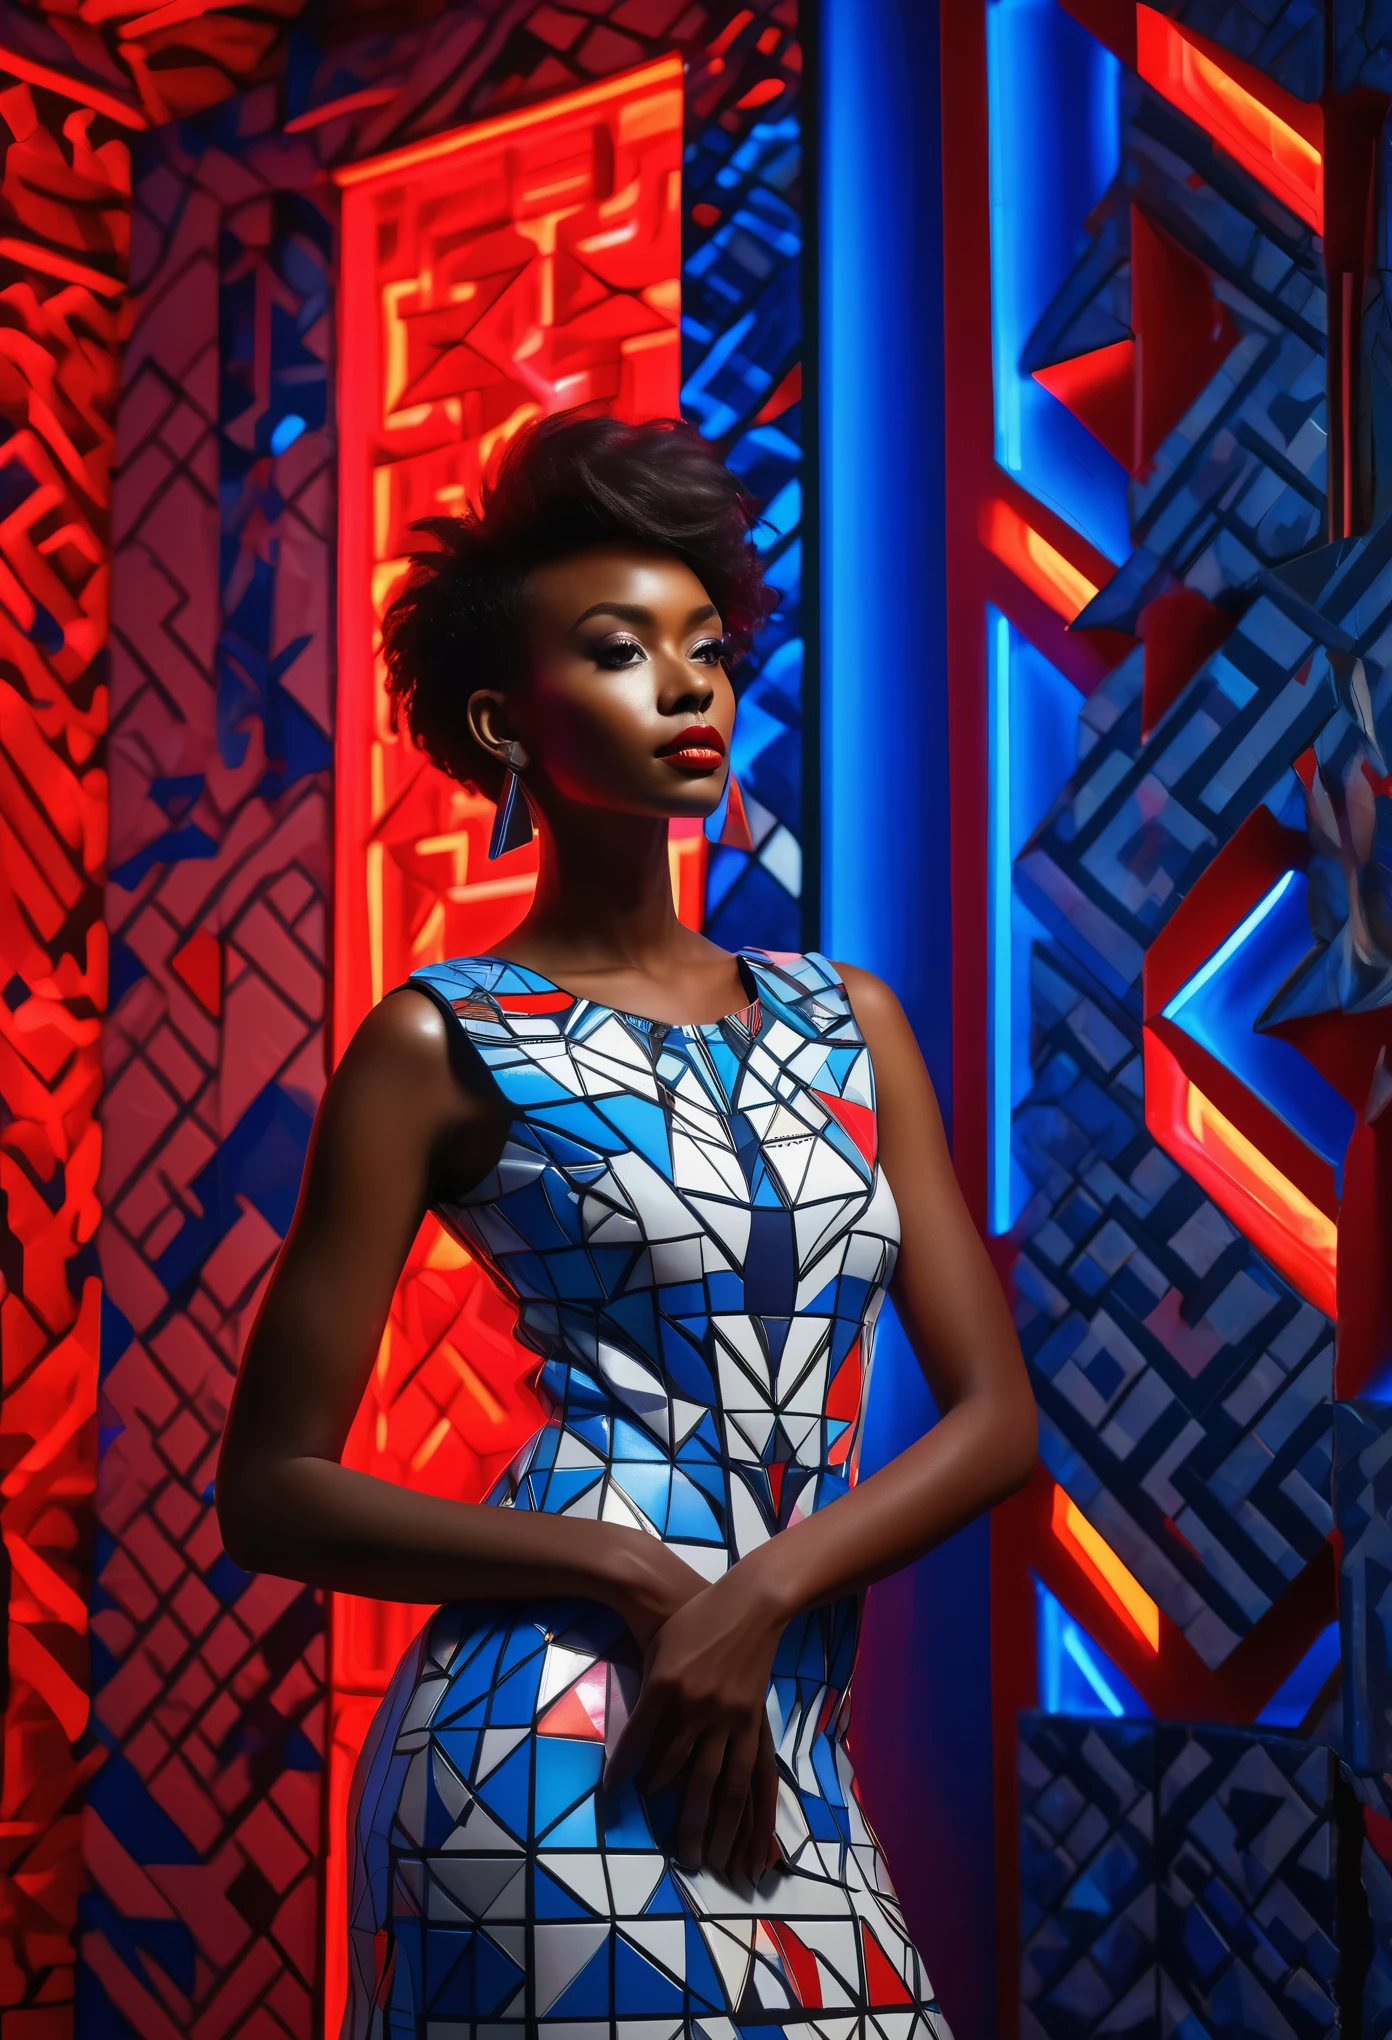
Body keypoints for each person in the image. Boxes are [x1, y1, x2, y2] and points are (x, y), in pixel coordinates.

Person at [216, 412, 1037, 2038]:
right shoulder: (439, 1038)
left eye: (707, 649)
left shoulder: (847, 1015)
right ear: (496, 718)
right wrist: (629, 1569)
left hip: (787, 1733)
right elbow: (271, 1491)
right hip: (547, 1749)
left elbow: (998, 1420)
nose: (688, 687)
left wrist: (759, 1595)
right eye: (617, 650)